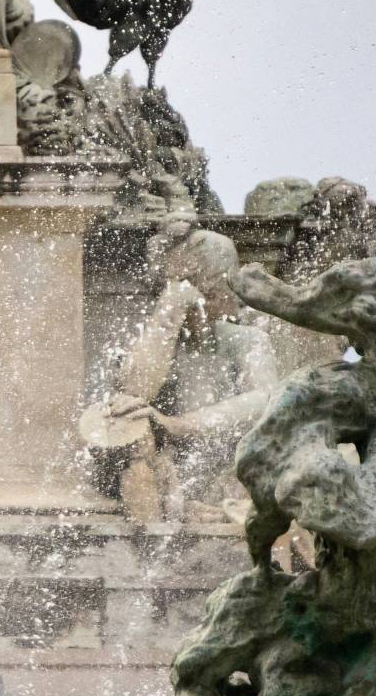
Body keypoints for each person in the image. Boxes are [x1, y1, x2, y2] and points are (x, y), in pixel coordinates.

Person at [81, 221, 277, 522]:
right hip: (174, 474)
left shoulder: (247, 339)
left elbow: (267, 400)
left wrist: (178, 424)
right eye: (213, 290)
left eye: (223, 288)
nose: (230, 300)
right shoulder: (154, 347)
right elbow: (133, 394)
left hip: (228, 469)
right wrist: (169, 312)